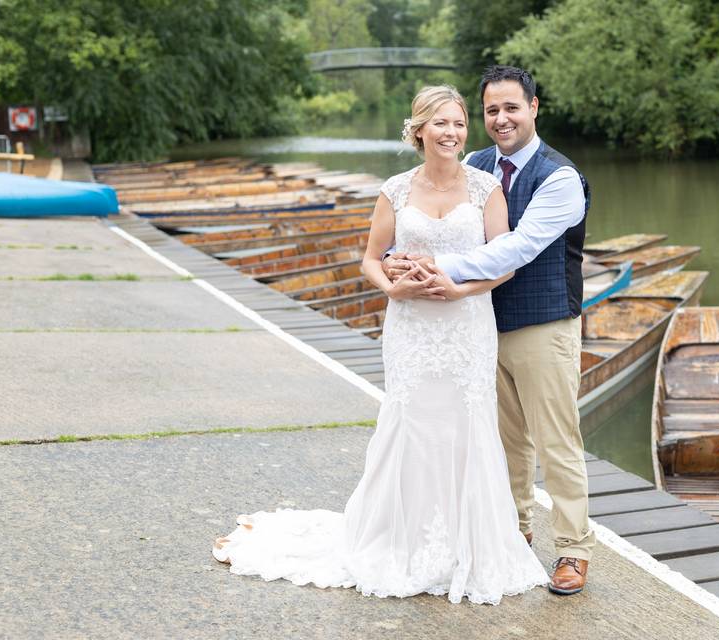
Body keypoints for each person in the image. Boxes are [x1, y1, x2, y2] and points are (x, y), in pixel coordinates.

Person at [212, 85, 548, 605]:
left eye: (459, 124)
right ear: (419, 130)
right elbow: (371, 258)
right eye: (441, 123)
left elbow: (502, 262)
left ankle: (471, 547)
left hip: (465, 327)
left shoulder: (486, 188)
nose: (452, 133)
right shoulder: (395, 189)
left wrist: (460, 287)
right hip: (412, 327)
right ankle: (400, 541)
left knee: (468, 423)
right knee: (411, 421)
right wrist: (392, 286)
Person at [385, 65, 595, 595]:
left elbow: (519, 247)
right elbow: (417, 213)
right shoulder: (475, 167)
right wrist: (398, 262)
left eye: (511, 108)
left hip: (542, 326)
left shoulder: (560, 178)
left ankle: (573, 549)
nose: (501, 119)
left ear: (534, 108)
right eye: (491, 111)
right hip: (475, 329)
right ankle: (515, 531)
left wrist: (436, 268)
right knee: (502, 442)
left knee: (556, 440)